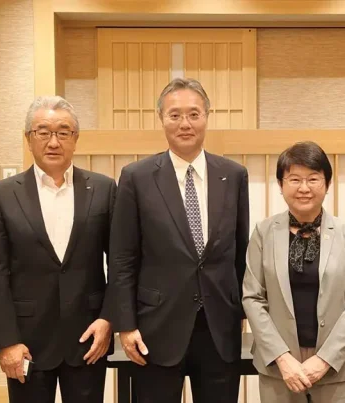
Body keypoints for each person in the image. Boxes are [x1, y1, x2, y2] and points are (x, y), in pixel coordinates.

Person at [106, 77, 249, 402]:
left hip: (218, 326)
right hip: (156, 326)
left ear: (207, 117)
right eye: (175, 115)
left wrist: (240, 311)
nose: (185, 123)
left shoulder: (233, 175)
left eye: (194, 114)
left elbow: (240, 251)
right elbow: (122, 258)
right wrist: (125, 324)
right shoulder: (136, 177)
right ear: (161, 118)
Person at [0, 96, 116, 403]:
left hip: (88, 335)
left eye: (63, 132)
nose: (53, 142)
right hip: (27, 341)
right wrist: (6, 341)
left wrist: (108, 319)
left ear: (76, 138)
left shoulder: (103, 188)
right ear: (28, 138)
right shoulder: (2, 195)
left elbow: (120, 262)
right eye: (43, 132)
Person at [242, 141, 345, 403]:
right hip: (279, 367)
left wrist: (325, 359)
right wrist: (282, 357)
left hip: (336, 365)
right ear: (281, 185)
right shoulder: (263, 232)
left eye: (313, 179)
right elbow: (252, 298)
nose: (304, 188)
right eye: (294, 179)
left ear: (327, 183)